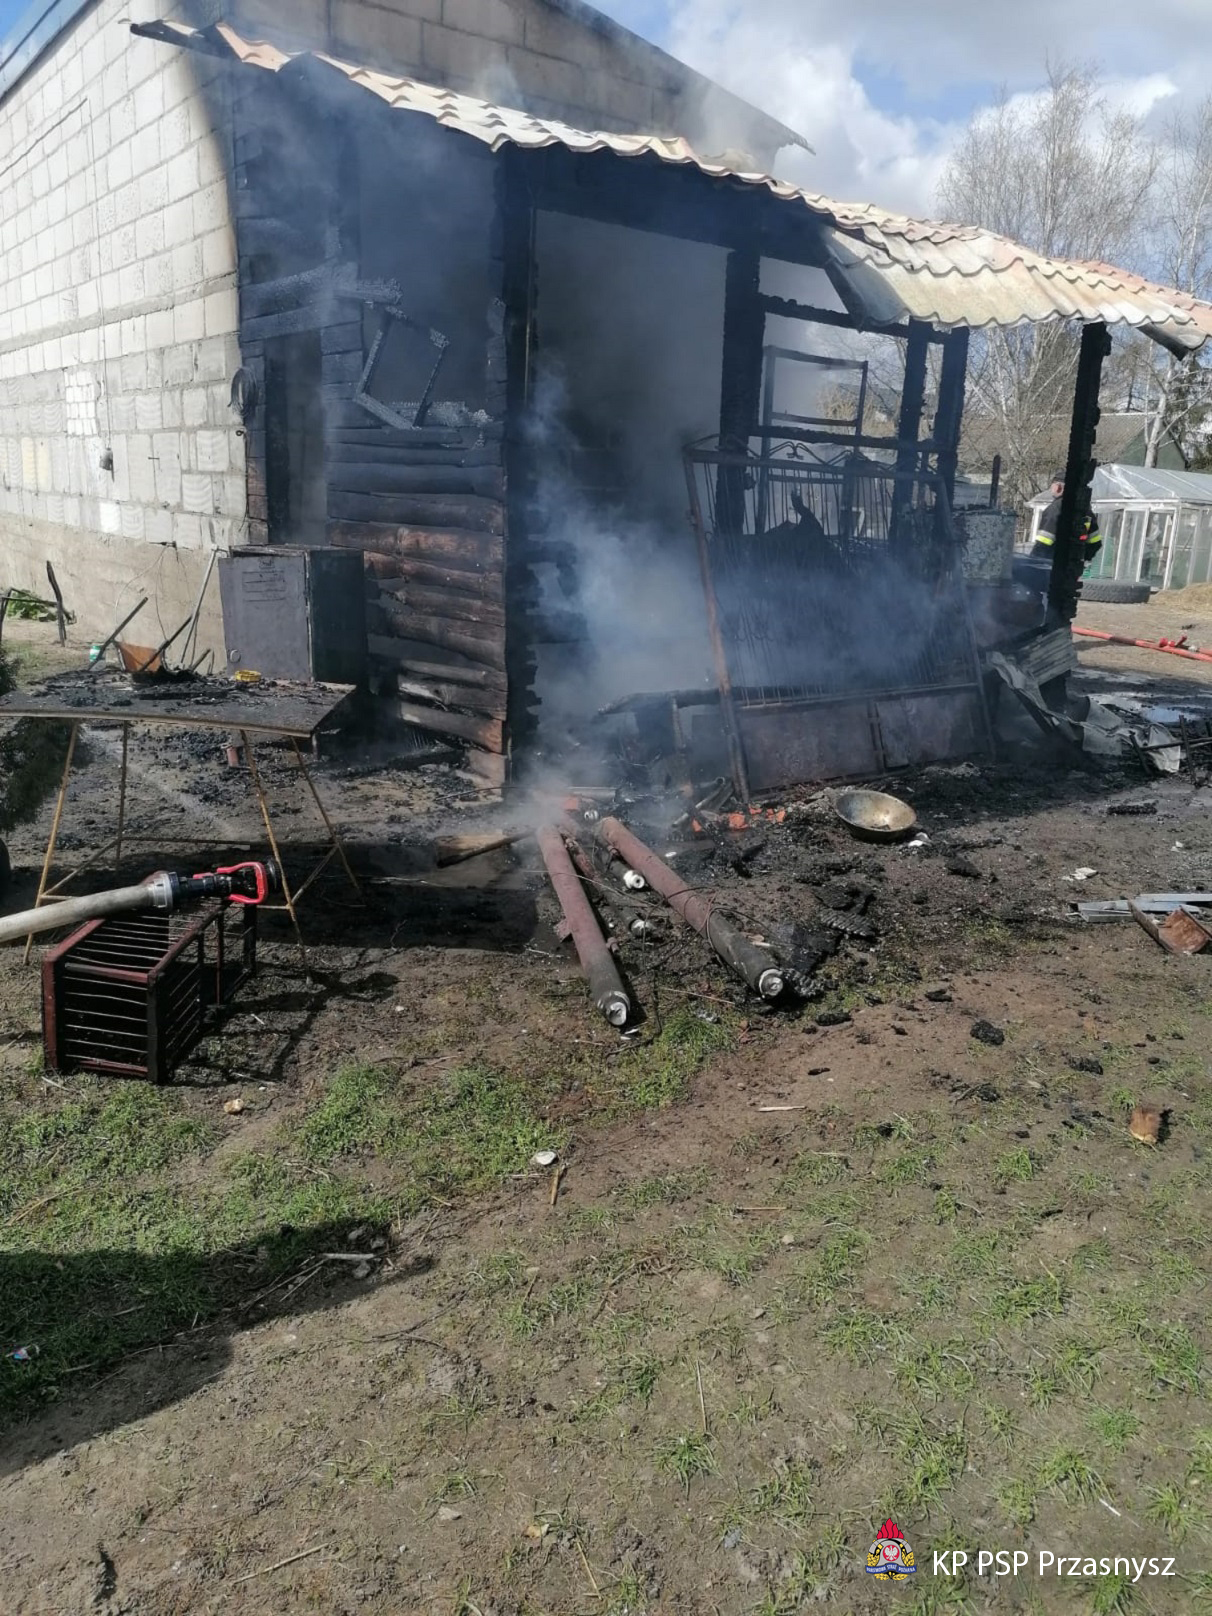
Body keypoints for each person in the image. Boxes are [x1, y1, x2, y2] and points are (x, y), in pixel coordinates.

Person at [1031, 469, 1102, 565]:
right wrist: (1080, 560)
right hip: (1073, 568)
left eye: (1052, 485)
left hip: (1052, 567)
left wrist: (1033, 563)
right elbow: (1096, 543)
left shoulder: (1056, 508)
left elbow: (1043, 543)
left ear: (1058, 487)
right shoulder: (1086, 510)